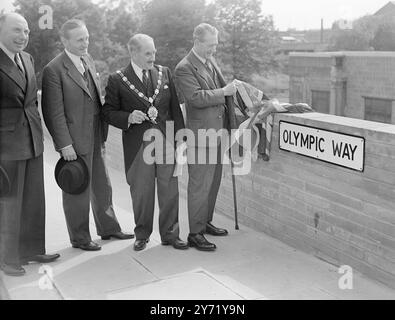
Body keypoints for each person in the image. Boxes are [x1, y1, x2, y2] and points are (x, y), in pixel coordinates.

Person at [41, 19, 133, 251]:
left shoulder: (88, 60)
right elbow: (53, 112)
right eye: (80, 39)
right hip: (73, 140)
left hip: (96, 134)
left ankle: (109, 228)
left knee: (103, 185)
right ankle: (80, 238)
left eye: (87, 38)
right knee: (77, 190)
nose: (85, 43)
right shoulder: (53, 70)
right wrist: (64, 145)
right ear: (65, 41)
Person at [102, 34, 188, 251]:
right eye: (148, 53)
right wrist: (128, 117)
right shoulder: (117, 79)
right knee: (142, 192)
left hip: (165, 142)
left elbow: (176, 109)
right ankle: (142, 234)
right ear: (133, 52)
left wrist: (181, 137)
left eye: (154, 52)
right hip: (137, 145)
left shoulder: (164, 72)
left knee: (170, 190)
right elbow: (108, 112)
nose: (153, 57)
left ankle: (170, 234)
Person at [0, 13, 59, 276]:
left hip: (32, 139)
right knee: (10, 204)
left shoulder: (27, 58)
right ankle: (8, 257)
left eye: (25, 31)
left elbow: (31, 101)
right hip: (6, 145)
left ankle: (32, 248)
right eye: (16, 30)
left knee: (34, 199)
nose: (22, 36)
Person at [174, 23, 237, 251]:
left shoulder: (209, 62)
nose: (214, 50)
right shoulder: (184, 67)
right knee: (200, 185)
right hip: (201, 137)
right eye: (210, 45)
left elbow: (220, 88)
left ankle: (205, 222)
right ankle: (195, 233)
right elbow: (195, 98)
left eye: (216, 45)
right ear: (197, 41)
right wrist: (224, 92)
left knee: (213, 183)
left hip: (217, 134)